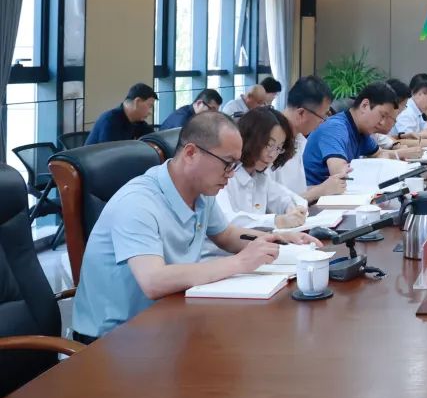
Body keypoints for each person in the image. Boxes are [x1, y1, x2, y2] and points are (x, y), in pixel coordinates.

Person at [71, 112, 319, 341]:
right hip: (115, 338)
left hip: (169, 317)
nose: (232, 174)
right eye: (228, 163)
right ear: (190, 153)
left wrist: (280, 239)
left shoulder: (201, 192)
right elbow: (154, 281)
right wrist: (239, 263)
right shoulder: (137, 203)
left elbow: (228, 235)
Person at [215, 108, 308, 230]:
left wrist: (295, 210)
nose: (272, 155)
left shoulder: (260, 177)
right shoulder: (224, 175)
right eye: (269, 145)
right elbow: (226, 221)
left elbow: (290, 199)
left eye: (278, 148)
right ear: (250, 138)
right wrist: (277, 221)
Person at [303, 81, 403, 185]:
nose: (382, 123)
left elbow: (380, 154)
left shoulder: (361, 131)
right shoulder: (335, 128)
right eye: (382, 115)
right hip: (315, 193)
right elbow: (342, 176)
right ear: (364, 105)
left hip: (338, 192)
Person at [271, 76, 350, 203]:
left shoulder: (299, 139)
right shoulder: (270, 142)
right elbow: (271, 205)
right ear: (301, 113)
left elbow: (295, 192)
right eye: (322, 116)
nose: (323, 122)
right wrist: (321, 190)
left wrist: (330, 185)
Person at [86, 83, 157, 145]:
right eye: (150, 106)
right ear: (137, 102)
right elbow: (111, 154)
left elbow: (155, 139)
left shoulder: (137, 122)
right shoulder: (110, 120)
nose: (150, 112)